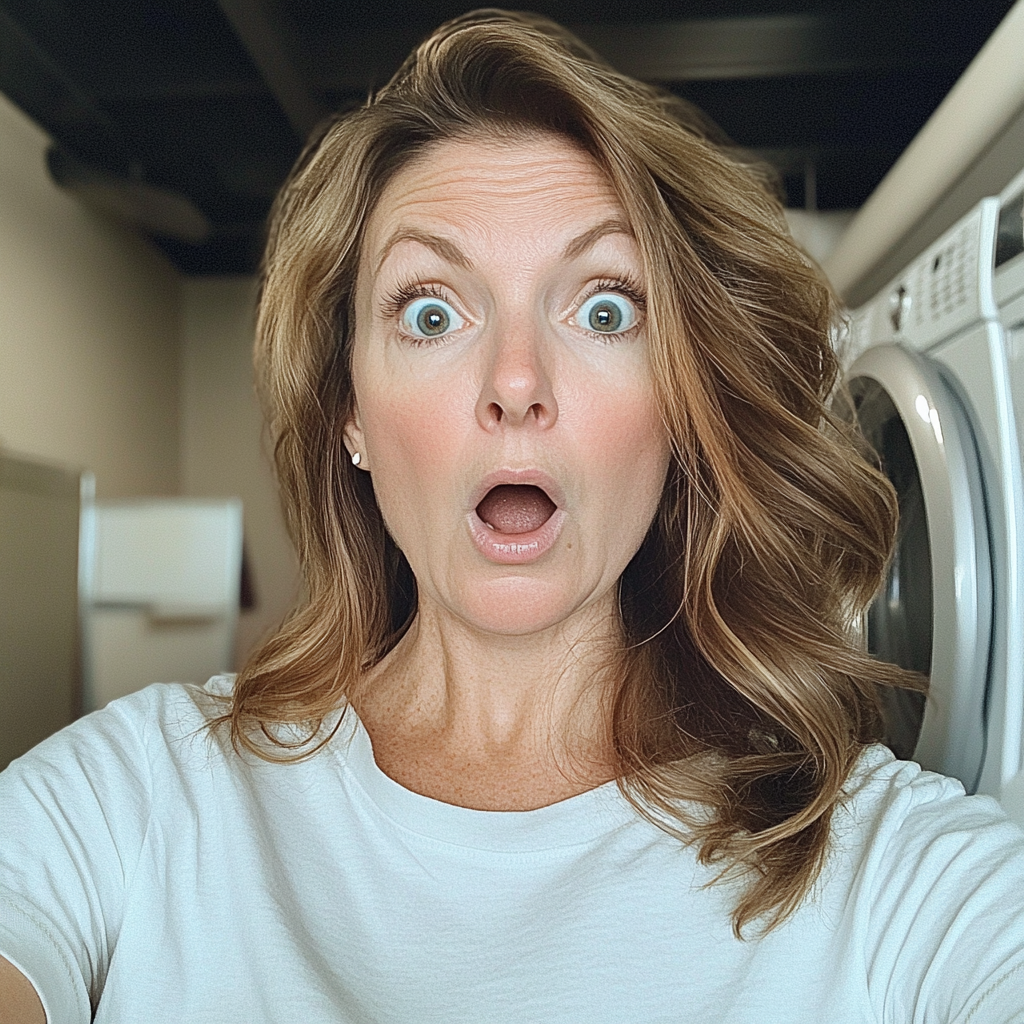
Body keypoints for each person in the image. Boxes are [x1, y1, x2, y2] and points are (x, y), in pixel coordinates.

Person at [2, 9, 1024, 1022]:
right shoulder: (137, 791)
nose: (517, 382)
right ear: (348, 409)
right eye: (432, 311)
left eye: (604, 308)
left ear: (680, 404)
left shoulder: (883, 862)